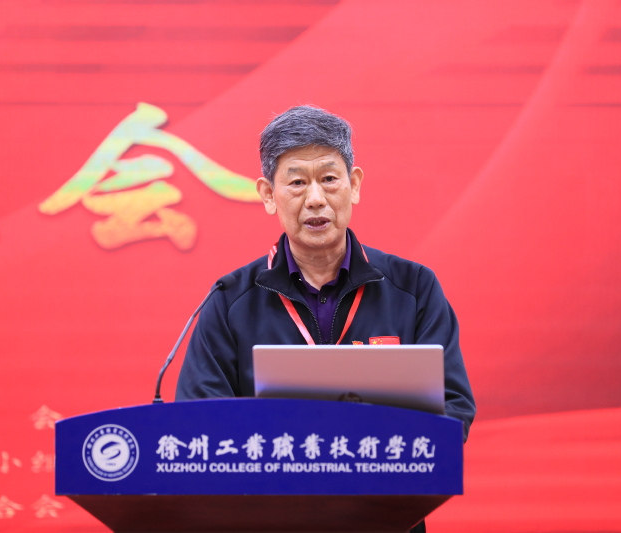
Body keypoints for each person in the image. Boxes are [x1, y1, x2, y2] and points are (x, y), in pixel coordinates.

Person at [176, 106, 476, 532]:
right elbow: (200, 423)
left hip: (384, 518)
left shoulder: (414, 289)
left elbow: (453, 408)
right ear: (268, 194)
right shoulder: (229, 301)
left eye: (330, 179)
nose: (315, 198)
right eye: (297, 182)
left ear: (354, 185)